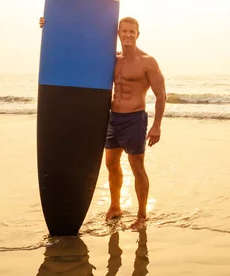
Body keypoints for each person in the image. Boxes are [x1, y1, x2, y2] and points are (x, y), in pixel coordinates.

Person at [39, 16, 166, 230]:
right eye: (123, 31)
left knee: (137, 168)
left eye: (131, 32)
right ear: (118, 33)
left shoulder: (147, 62)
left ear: (137, 34)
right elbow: (79, 49)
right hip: (112, 119)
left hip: (134, 119)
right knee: (111, 165)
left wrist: (156, 125)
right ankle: (115, 206)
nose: (127, 35)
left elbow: (161, 95)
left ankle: (142, 216)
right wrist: (52, 27)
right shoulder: (112, 59)